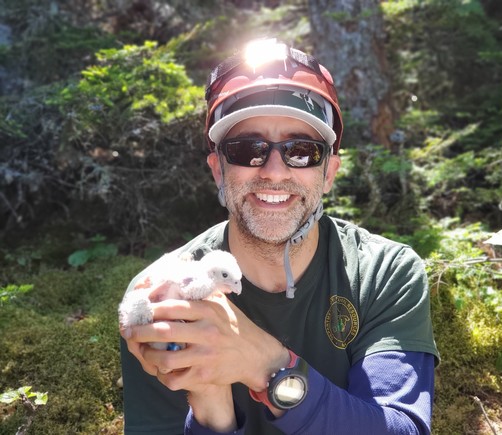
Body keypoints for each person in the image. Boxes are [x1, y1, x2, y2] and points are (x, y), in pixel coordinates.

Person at [120, 38, 440, 435]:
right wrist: (210, 405)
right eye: (247, 149)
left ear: (329, 173)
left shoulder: (384, 273)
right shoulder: (165, 296)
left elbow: (401, 428)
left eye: (302, 151)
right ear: (218, 171)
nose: (274, 171)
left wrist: (267, 365)